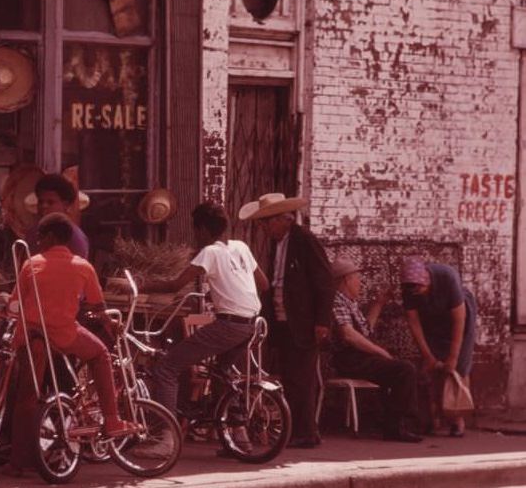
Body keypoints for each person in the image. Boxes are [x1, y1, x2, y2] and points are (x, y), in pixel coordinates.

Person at [6, 213, 138, 477]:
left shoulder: (31, 264)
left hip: (32, 336)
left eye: (42, 237)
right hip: (64, 333)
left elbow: (14, 303)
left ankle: (17, 462)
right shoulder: (83, 266)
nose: (39, 241)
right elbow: (97, 307)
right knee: (100, 353)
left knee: (27, 397)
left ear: (52, 237)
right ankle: (111, 419)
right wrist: (106, 323)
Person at [139, 202, 269, 456]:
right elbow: (262, 284)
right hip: (252, 323)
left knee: (167, 367)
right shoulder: (241, 247)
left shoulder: (209, 252)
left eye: (196, 230)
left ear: (203, 230)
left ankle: (167, 440)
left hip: (229, 324)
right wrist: (230, 290)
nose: (195, 236)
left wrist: (141, 285)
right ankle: (239, 439)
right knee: (223, 374)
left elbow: (175, 285)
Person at [239, 193, 334, 448]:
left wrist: (322, 321)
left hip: (303, 321)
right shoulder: (277, 244)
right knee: (290, 377)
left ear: (285, 219)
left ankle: (305, 432)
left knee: (302, 378)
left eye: (268, 222)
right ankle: (295, 430)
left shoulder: (304, 240)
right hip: (282, 321)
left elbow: (324, 283)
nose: (265, 228)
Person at [329, 255, 422, 443]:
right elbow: (349, 335)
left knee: (399, 368)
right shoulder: (337, 302)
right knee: (404, 370)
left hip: (360, 358)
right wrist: (379, 352)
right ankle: (398, 426)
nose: (360, 283)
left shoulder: (350, 303)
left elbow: (365, 331)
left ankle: (393, 423)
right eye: (358, 279)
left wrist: (379, 303)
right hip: (350, 360)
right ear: (347, 279)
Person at [399, 256, 477, 437]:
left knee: (458, 368)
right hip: (431, 318)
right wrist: (427, 354)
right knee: (431, 368)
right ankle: (432, 418)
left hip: (459, 317)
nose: (416, 292)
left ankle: (457, 420)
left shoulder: (447, 277)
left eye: (420, 288)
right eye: (412, 290)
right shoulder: (409, 289)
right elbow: (414, 322)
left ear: (427, 281)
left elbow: (459, 320)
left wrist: (453, 357)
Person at [25, 174, 89, 259]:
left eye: (50, 202)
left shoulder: (75, 237)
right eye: (41, 201)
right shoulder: (32, 233)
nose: (44, 206)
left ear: (65, 205)